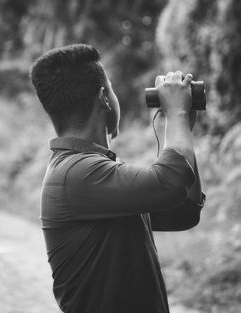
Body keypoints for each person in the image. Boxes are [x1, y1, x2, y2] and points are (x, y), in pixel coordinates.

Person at [30, 43, 205, 313]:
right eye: (111, 88)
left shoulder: (92, 170)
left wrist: (179, 127)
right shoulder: (76, 174)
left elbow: (181, 212)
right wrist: (177, 113)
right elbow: (169, 184)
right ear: (104, 97)